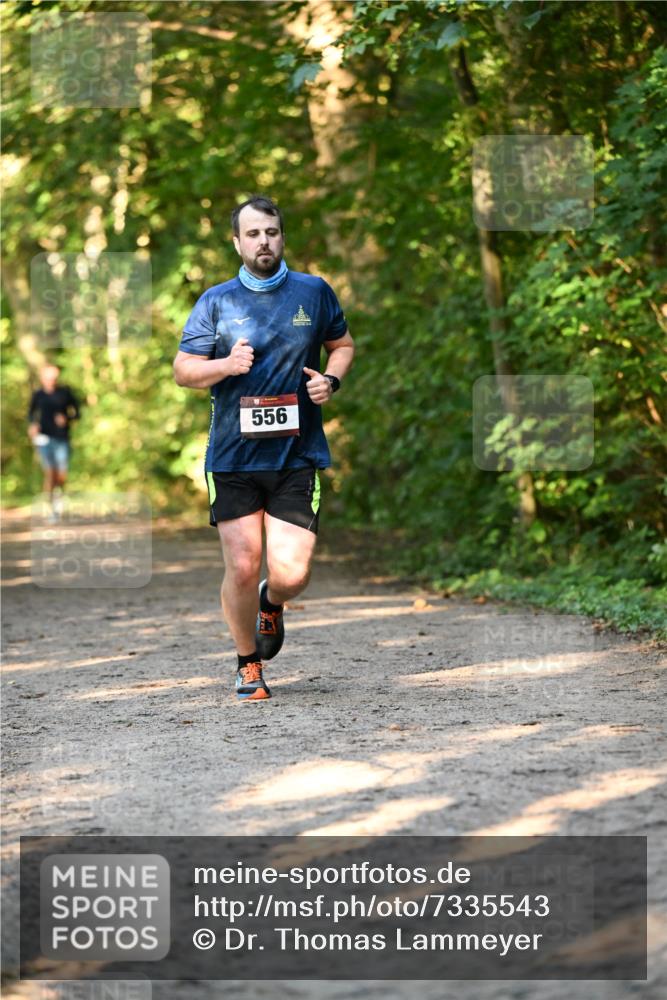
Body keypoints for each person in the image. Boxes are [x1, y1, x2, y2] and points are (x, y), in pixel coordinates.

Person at [174, 195, 355, 702]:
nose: (263, 242)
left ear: (282, 236)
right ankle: (247, 663)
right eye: (252, 234)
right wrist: (224, 366)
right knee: (242, 564)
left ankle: (271, 602)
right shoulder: (216, 301)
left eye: (271, 232)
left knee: (292, 573)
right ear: (237, 242)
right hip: (233, 457)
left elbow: (343, 346)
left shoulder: (313, 292)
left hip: (297, 456)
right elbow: (184, 370)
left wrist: (330, 383)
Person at [28, 364, 80, 520]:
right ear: (43, 378)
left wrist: (67, 418)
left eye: (54, 378)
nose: (51, 380)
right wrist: (33, 425)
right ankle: (52, 509)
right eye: (48, 378)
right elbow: (31, 413)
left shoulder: (65, 393)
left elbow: (77, 413)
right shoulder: (38, 395)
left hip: (62, 438)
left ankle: (58, 498)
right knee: (50, 472)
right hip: (44, 439)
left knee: (61, 474)